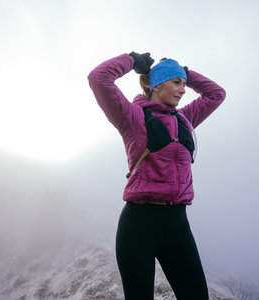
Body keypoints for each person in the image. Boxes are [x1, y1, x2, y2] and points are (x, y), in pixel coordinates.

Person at [87, 52, 226, 300]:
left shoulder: (185, 119)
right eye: (176, 82)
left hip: (177, 224)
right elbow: (99, 78)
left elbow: (217, 94)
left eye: (184, 84)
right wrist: (132, 61)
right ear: (157, 84)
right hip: (139, 224)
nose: (183, 90)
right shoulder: (131, 117)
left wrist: (186, 73)